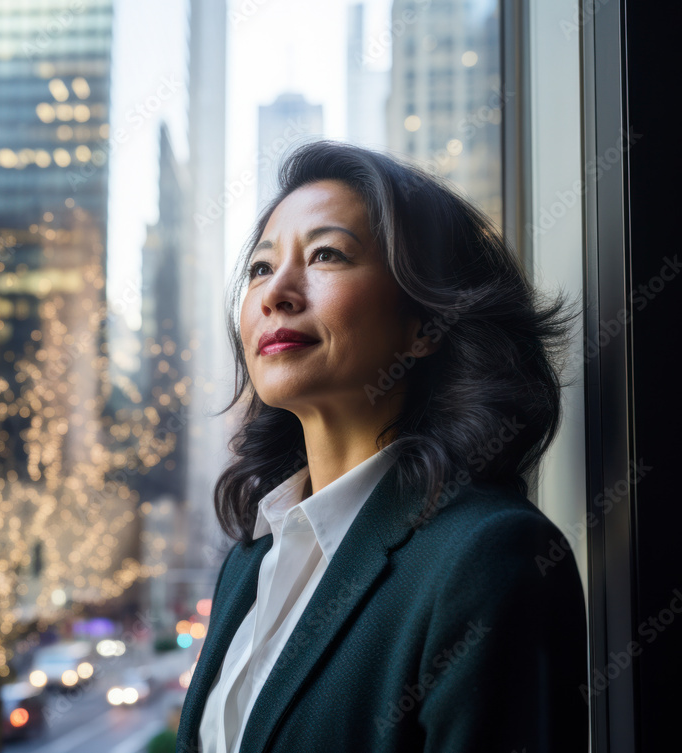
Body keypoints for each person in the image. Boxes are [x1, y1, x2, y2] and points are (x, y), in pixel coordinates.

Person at [175, 141, 587, 752]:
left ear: (426, 323)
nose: (276, 293)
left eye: (326, 255)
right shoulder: (250, 559)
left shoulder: (489, 557)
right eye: (261, 267)